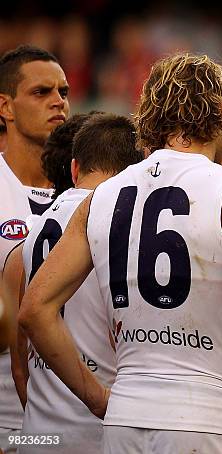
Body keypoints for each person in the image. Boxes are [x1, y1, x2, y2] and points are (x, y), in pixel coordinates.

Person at [19, 53, 222, 454]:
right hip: (208, 418)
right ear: (221, 112)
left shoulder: (100, 197)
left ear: (148, 111)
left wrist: (97, 398)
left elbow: (34, 309)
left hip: (125, 418)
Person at [4, 113, 143, 454]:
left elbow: (19, 365)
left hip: (38, 433)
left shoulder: (33, 227)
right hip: (101, 431)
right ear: (134, 172)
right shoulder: (120, 223)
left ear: (76, 168)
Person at [0, 44, 69, 452]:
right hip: (5, 411)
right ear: (4, 107)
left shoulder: (85, 190)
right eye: (41, 92)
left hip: (70, 409)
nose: (58, 102)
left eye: (63, 91)